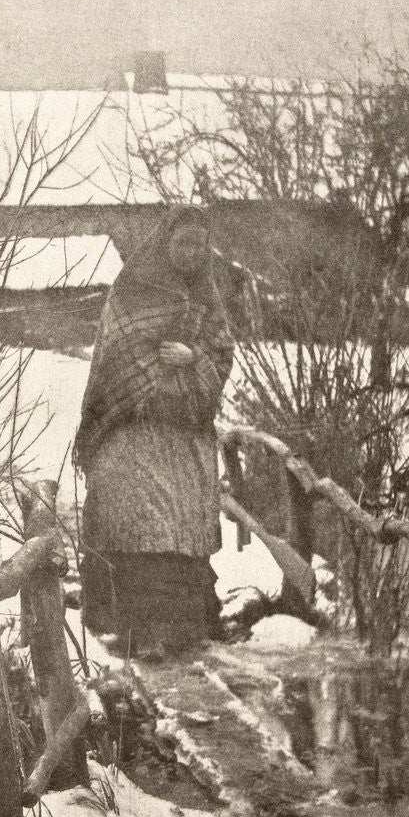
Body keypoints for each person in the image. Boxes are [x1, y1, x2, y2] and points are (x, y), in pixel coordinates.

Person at [74, 207, 234, 654]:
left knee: (183, 523)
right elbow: (117, 352)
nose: (191, 252)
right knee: (138, 522)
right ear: (165, 244)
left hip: (186, 434)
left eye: (199, 244)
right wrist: (152, 377)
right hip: (133, 429)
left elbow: (222, 351)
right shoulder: (132, 288)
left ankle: (187, 627)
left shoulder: (207, 295)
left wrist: (193, 358)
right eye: (183, 242)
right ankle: (135, 630)